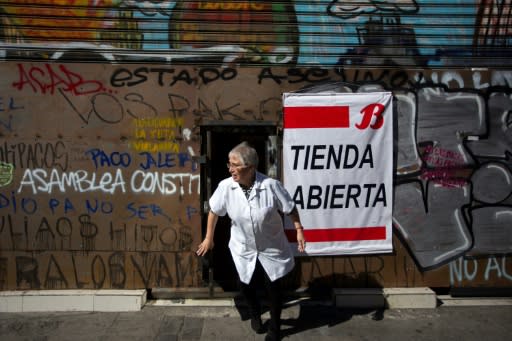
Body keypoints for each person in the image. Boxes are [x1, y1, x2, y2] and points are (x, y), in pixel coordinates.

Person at [197, 141, 306, 341]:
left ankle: (275, 327)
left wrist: (299, 229)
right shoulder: (225, 187)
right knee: (245, 284)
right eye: (229, 164)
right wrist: (208, 238)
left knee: (273, 288)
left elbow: (290, 208)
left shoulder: (271, 186)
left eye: (235, 165)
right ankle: (255, 312)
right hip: (243, 248)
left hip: (271, 247)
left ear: (251, 167)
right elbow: (214, 211)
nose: (230, 169)